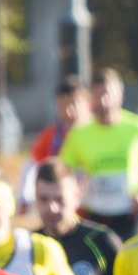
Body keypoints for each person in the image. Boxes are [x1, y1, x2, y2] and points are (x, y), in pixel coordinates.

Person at [59, 69, 138, 239]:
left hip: (131, 213)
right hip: (95, 214)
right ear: (91, 99)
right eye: (98, 95)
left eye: (108, 94)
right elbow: (61, 172)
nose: (104, 101)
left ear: (120, 94)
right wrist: (76, 189)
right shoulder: (79, 134)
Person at [30, 159, 122, 275]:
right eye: (43, 199)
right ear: (35, 198)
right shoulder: (27, 245)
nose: (52, 207)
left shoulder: (102, 240)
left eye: (60, 199)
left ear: (77, 197)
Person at [20, 76, 90, 208]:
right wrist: (24, 198)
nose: (69, 111)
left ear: (87, 104)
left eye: (74, 103)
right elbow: (30, 165)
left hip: (95, 209)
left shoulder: (98, 133)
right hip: (60, 209)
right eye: (63, 105)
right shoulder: (51, 135)